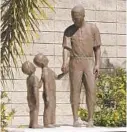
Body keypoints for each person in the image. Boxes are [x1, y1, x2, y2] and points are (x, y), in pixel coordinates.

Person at [61, 5, 101, 127]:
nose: (74, 20)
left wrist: (98, 64)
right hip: (75, 62)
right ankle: (75, 119)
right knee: (75, 91)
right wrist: (64, 62)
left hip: (89, 62)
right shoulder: (68, 31)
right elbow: (66, 49)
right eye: (73, 18)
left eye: (77, 18)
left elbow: (97, 48)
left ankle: (90, 119)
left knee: (91, 90)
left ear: (83, 16)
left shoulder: (93, 29)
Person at [33, 53, 65, 128]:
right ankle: (47, 123)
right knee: (48, 108)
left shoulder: (49, 70)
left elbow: (57, 77)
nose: (46, 57)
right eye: (44, 57)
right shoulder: (45, 71)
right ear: (42, 62)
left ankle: (52, 122)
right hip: (48, 93)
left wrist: (64, 73)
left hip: (52, 92)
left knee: (53, 107)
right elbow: (46, 84)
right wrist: (47, 96)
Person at [22, 61, 42, 128]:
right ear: (30, 68)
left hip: (29, 97)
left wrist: (41, 80)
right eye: (32, 65)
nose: (34, 66)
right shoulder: (34, 78)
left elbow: (38, 86)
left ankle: (31, 123)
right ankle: (35, 124)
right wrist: (36, 99)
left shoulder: (28, 79)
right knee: (35, 110)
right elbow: (36, 89)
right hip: (34, 97)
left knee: (31, 110)